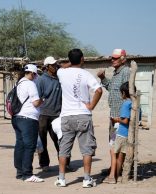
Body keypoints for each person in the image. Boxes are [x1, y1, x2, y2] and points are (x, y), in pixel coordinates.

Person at [55, 49, 102, 187]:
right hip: (83, 114)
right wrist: (91, 105)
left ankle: (61, 179)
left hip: (66, 116)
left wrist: (70, 62)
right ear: (82, 59)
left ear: (69, 60)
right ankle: (87, 179)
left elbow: (61, 66)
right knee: (87, 149)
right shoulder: (86, 74)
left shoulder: (61, 73)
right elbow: (98, 90)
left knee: (64, 148)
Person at [97, 49, 130, 180]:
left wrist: (122, 117)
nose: (112, 60)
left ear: (123, 59)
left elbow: (127, 91)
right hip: (114, 115)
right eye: (112, 58)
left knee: (117, 144)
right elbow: (111, 88)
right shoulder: (117, 73)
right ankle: (114, 168)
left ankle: (116, 171)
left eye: (115, 58)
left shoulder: (126, 72)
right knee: (113, 142)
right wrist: (103, 78)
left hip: (121, 117)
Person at [11, 64, 44, 183]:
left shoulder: (18, 83)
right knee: (29, 146)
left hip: (17, 118)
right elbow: (35, 103)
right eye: (35, 75)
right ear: (33, 74)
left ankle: (20, 172)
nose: (36, 77)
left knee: (20, 144)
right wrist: (43, 100)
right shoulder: (30, 84)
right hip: (28, 119)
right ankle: (27, 174)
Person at [36, 56, 68, 171]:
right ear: (47, 67)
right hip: (43, 114)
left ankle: (65, 163)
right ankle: (44, 164)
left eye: (56, 65)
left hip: (57, 114)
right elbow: (37, 97)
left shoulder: (60, 78)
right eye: (53, 65)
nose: (55, 67)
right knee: (43, 140)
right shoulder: (41, 80)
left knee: (60, 139)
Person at [103, 82, 132, 184]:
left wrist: (116, 119)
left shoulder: (125, 104)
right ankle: (117, 175)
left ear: (123, 93)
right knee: (120, 156)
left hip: (119, 132)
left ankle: (112, 176)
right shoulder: (135, 103)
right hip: (127, 134)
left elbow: (125, 121)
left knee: (113, 152)